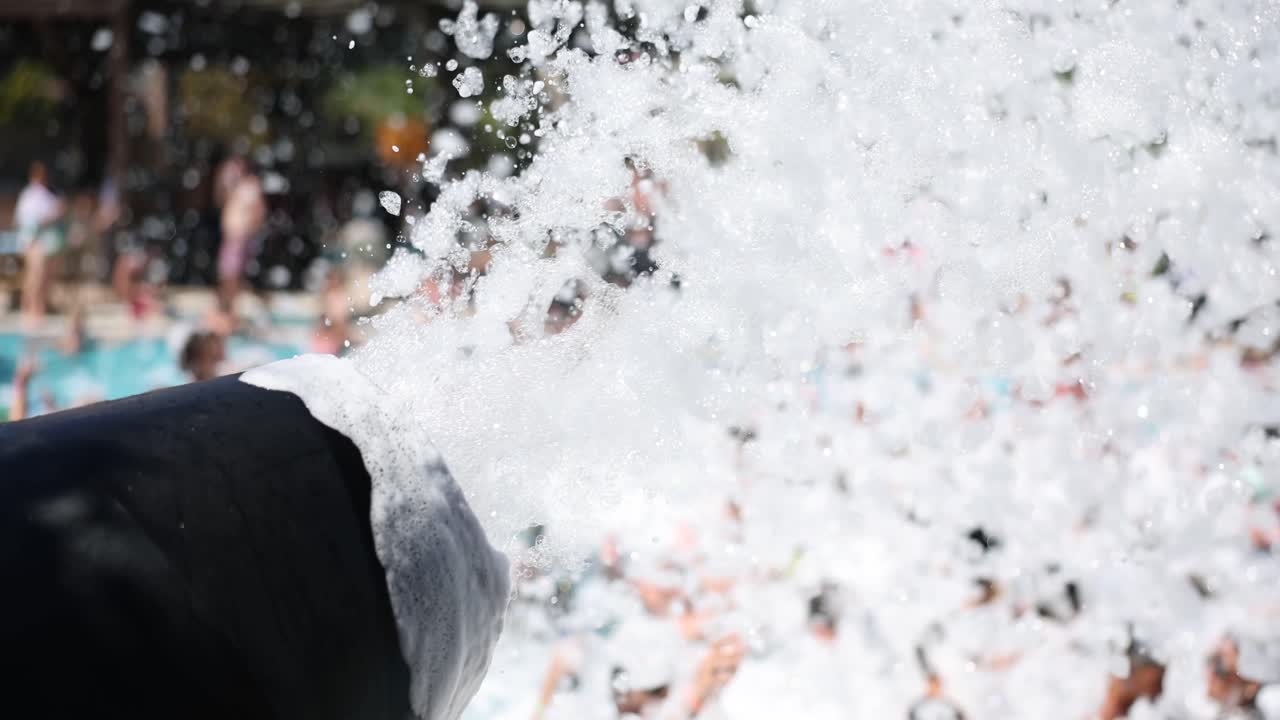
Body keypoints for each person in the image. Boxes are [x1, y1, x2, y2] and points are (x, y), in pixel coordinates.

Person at [15, 161, 66, 324]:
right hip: (33, 242)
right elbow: (28, 221)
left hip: (44, 244)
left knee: (43, 277)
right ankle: (30, 309)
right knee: (35, 277)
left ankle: (39, 308)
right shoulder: (30, 196)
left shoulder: (47, 194)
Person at [217, 159, 266, 314]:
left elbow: (259, 210)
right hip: (233, 236)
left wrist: (251, 228)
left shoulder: (250, 186)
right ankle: (230, 306)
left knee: (232, 273)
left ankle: (231, 307)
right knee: (228, 273)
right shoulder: (234, 187)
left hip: (241, 236)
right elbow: (219, 199)